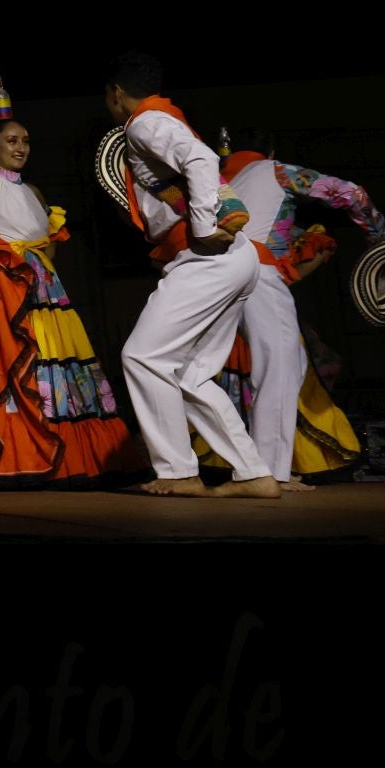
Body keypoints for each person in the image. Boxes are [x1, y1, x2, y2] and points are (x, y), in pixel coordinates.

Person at [0, 116, 148, 486]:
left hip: (43, 289)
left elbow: (49, 240)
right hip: (6, 285)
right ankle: (17, 453)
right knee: (13, 362)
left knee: (55, 364)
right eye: (12, 140)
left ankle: (74, 456)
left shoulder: (33, 191)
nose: (21, 147)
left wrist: (40, 266)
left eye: (26, 140)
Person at [102, 52, 277, 499]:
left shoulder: (143, 122)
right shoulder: (163, 116)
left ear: (116, 93)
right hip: (233, 258)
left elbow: (200, 159)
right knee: (192, 374)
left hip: (209, 256)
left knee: (143, 356)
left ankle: (178, 471)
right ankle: (253, 474)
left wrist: (201, 225)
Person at [195, 128, 385, 488]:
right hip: (256, 274)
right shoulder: (275, 171)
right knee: (279, 370)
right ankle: (268, 473)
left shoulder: (222, 181)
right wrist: (379, 236)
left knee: (289, 364)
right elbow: (350, 193)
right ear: (270, 152)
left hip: (211, 278)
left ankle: (263, 467)